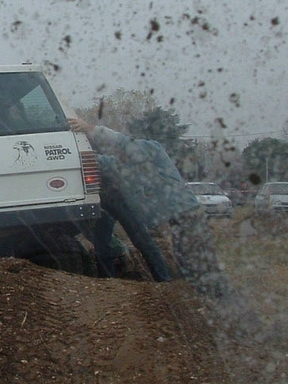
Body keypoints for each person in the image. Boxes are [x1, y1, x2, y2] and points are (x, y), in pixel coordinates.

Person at [69, 116, 229, 296]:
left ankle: (219, 299)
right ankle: (201, 296)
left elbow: (121, 142)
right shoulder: (125, 165)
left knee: (198, 258)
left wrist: (90, 128)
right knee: (186, 258)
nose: (117, 152)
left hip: (187, 213)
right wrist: (67, 152)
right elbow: (100, 160)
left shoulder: (152, 150)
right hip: (179, 217)